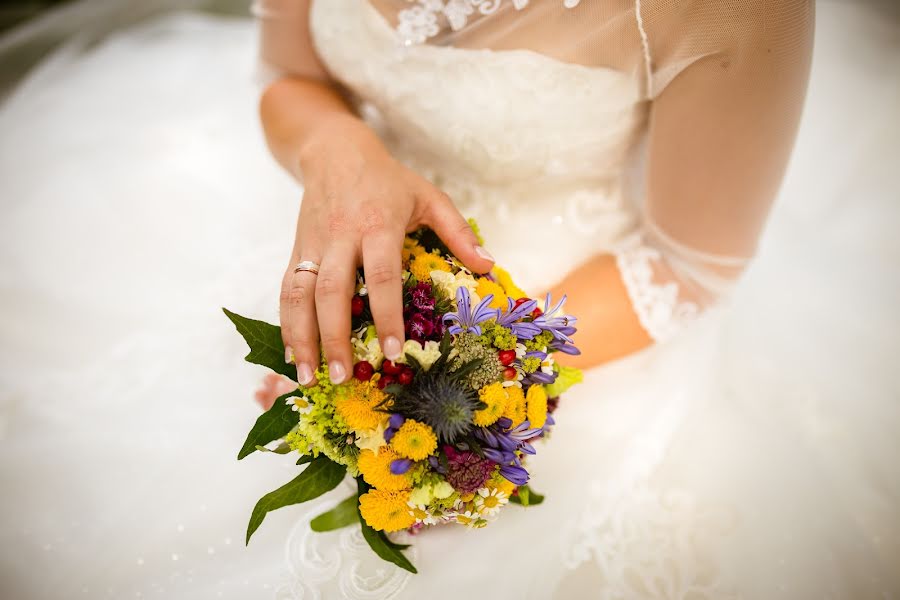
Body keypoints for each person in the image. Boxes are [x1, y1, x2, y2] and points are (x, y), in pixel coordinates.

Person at [1, 1, 898, 598]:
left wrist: (458, 385)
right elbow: (289, 74)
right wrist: (338, 154)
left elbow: (689, 266)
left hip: (575, 303)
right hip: (323, 214)